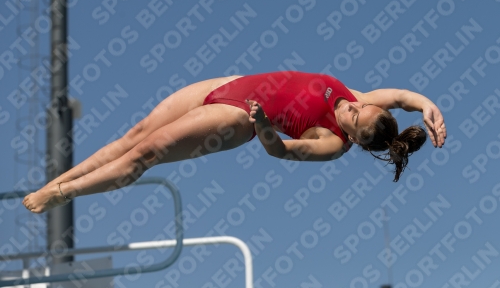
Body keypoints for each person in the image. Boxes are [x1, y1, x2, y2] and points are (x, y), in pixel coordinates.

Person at [23, 71, 446, 213]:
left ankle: (63, 193)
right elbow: (403, 98)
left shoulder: (332, 142)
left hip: (239, 117)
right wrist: (427, 106)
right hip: (230, 82)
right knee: (133, 135)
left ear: (355, 138)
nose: (352, 106)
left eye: (354, 117)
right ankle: (56, 181)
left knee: (144, 155)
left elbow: (281, 150)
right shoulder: (362, 101)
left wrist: (263, 124)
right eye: (358, 107)